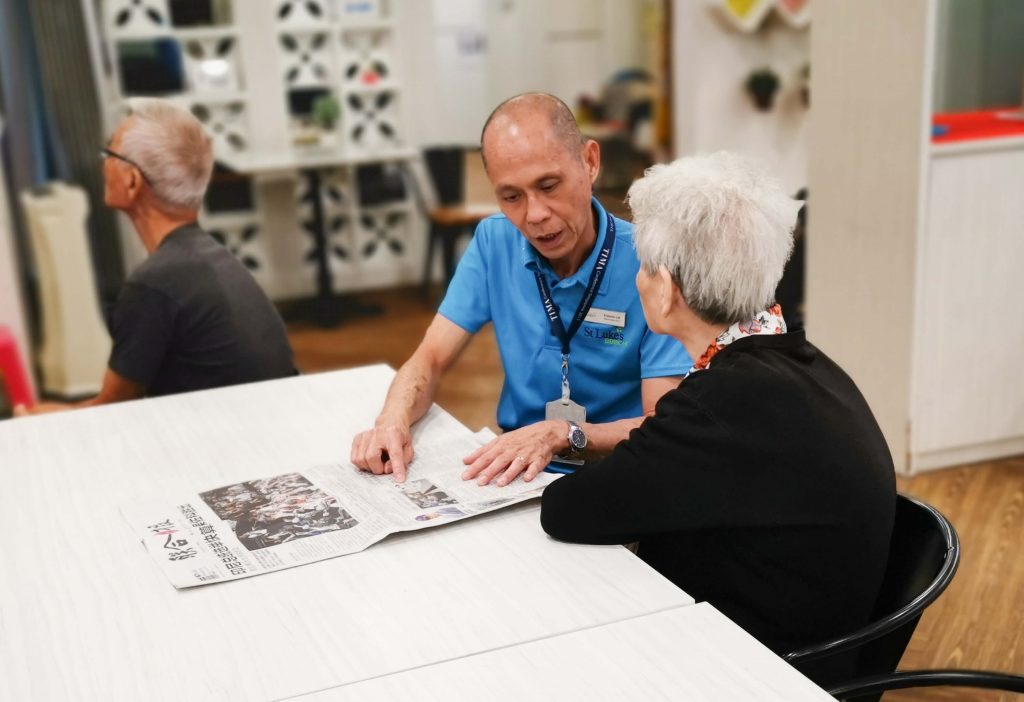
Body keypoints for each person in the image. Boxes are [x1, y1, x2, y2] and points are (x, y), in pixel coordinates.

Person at [540, 152, 896, 680]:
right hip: (803, 636)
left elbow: (567, 509)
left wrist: (566, 443)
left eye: (641, 267)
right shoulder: (799, 364)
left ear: (665, 288)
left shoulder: (723, 405)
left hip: (753, 671)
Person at [350, 93, 691, 485]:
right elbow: (431, 357)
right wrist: (391, 420)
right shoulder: (494, 242)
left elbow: (659, 425)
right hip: (519, 472)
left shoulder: (650, 262)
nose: (535, 215)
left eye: (549, 186)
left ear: (590, 162)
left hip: (615, 470)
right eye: (511, 197)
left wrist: (564, 436)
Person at [17, 99, 294, 415]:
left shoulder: (154, 284)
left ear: (133, 180)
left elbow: (109, 413)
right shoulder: (211, 258)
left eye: (110, 153)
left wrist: (30, 416)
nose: (103, 163)